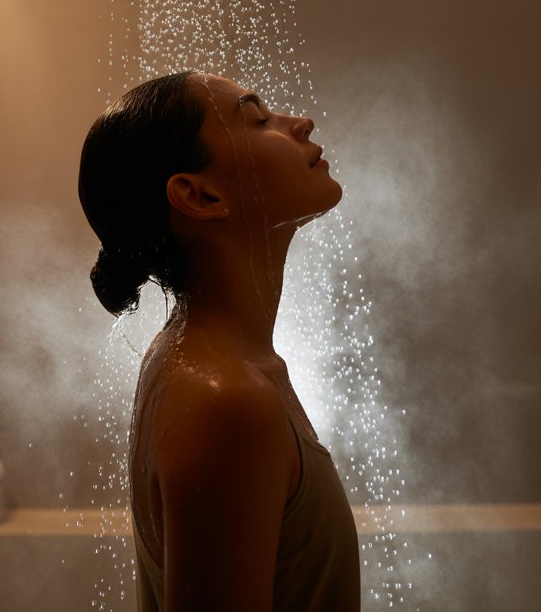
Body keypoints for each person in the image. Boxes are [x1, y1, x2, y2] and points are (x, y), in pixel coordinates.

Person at [78, 71, 360, 611]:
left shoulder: (203, 359)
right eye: (258, 119)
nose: (300, 123)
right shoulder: (227, 399)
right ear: (199, 194)